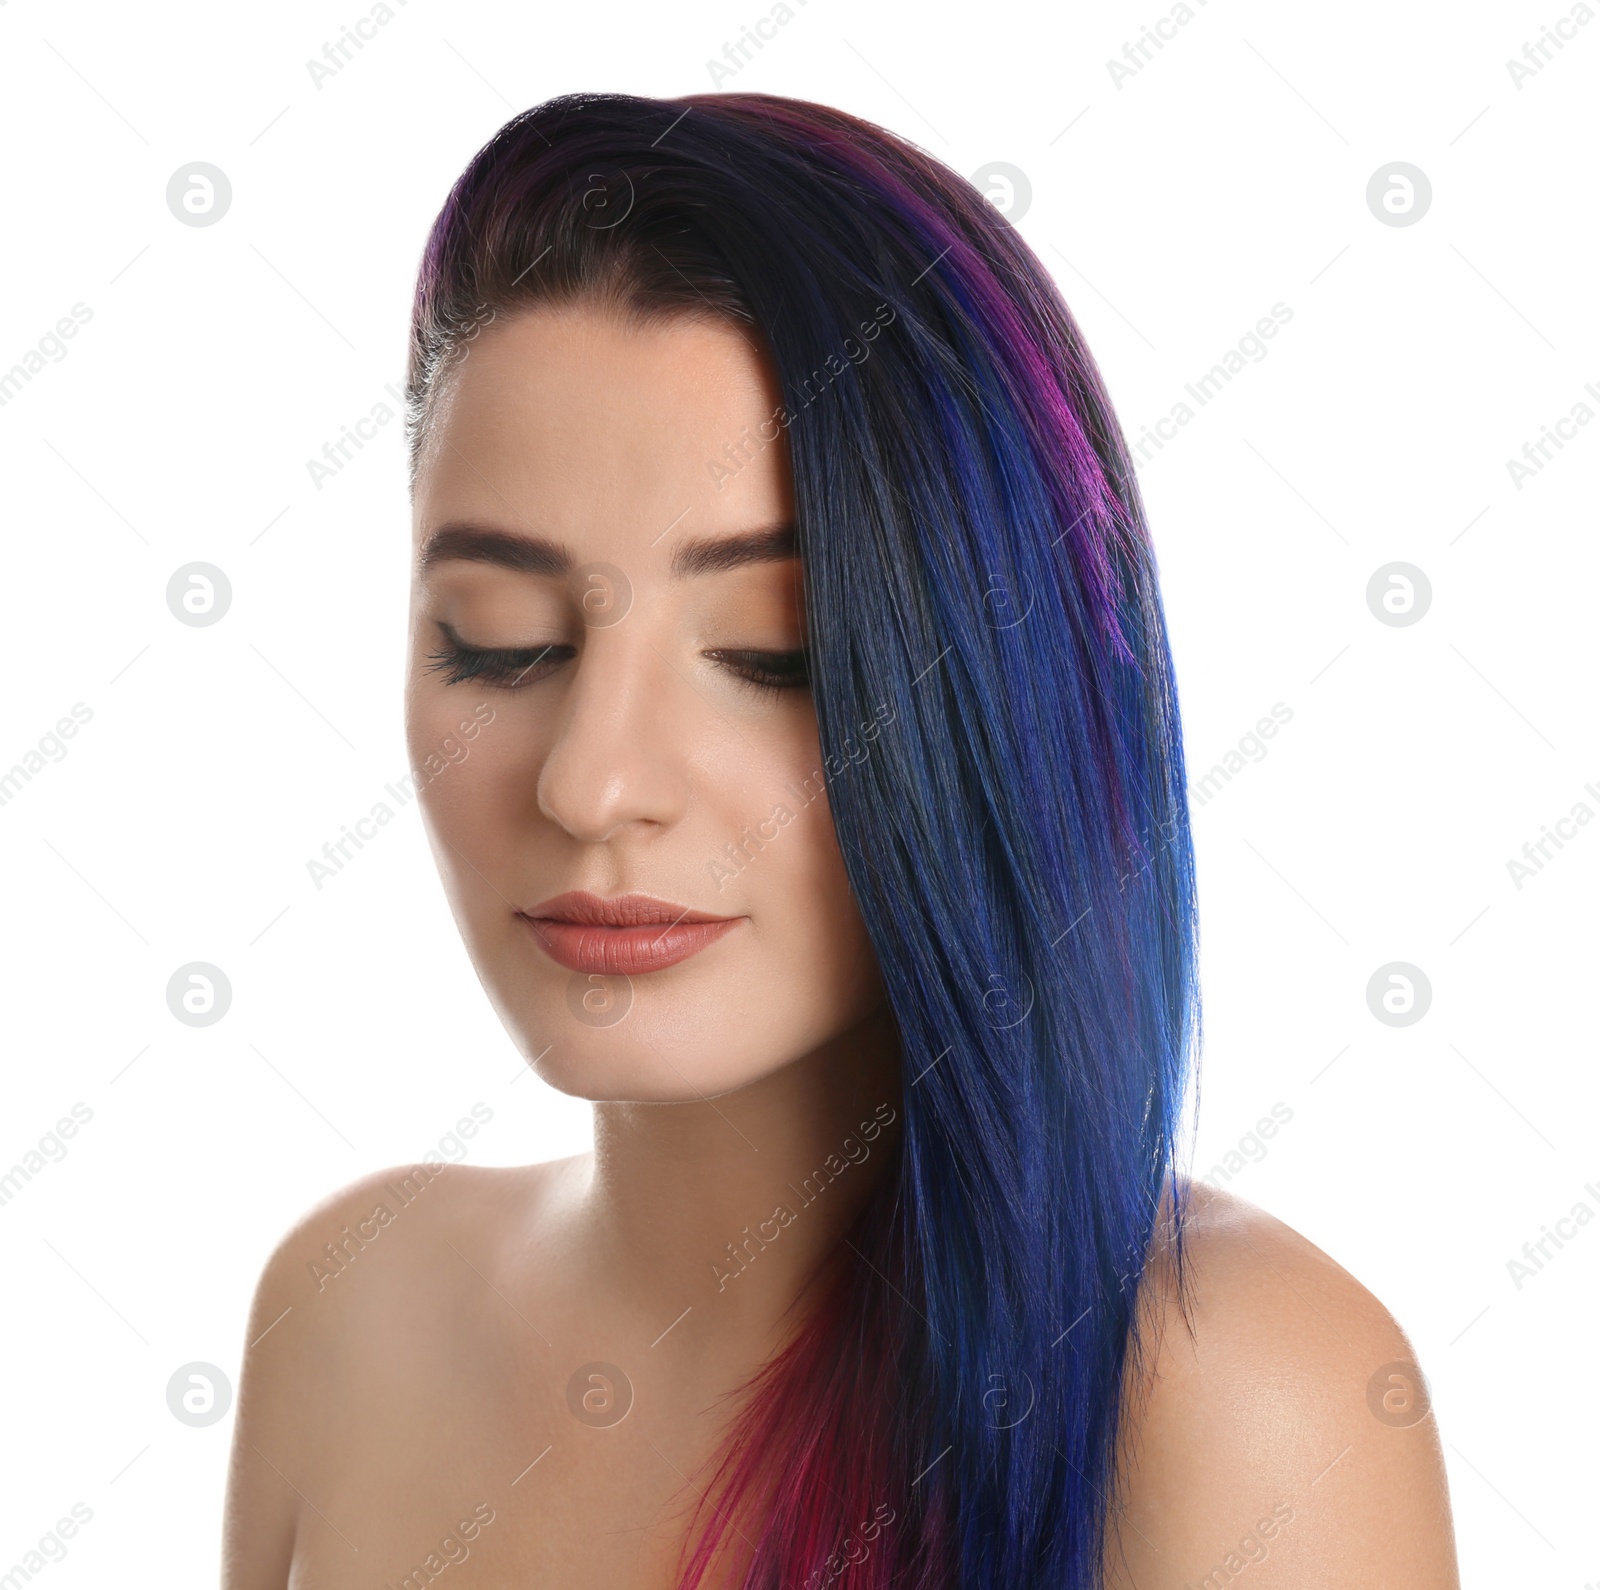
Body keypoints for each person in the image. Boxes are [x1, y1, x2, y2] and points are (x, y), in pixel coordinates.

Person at [221, 91, 1459, 1589]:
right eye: (500, 644)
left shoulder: (1243, 1404)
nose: (591, 783)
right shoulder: (348, 1316)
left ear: (998, 693)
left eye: (770, 653)